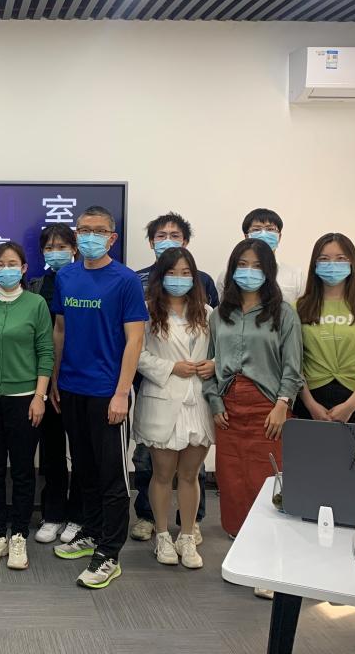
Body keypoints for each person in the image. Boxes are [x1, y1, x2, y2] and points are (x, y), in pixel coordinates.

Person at [50, 206, 147, 590]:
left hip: (108, 393)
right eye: (84, 229)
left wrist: (122, 393)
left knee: (112, 476)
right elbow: (60, 329)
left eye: (98, 230)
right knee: (85, 469)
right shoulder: (66, 276)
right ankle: (91, 532)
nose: (90, 236)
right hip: (72, 388)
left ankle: (109, 553)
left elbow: (135, 340)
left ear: (112, 237)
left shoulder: (125, 280)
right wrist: (56, 377)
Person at [204, 239, 301, 560]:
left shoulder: (283, 313)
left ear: (269, 271)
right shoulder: (219, 315)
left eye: (257, 266)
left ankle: (268, 550)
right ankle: (239, 547)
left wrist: (282, 405)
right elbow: (209, 362)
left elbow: (293, 366)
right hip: (228, 406)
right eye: (242, 265)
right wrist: (215, 402)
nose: (249, 271)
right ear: (232, 270)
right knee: (231, 477)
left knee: (266, 476)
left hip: (268, 407)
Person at [131, 212, 215, 543]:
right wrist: (169, 368)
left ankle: (189, 532)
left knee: (191, 475)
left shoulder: (207, 312)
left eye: (185, 273)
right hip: (161, 397)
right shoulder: (146, 309)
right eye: (171, 273)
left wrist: (213, 364)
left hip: (197, 401)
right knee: (159, 472)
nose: (179, 278)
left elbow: (223, 352)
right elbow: (135, 353)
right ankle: (161, 532)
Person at [0, 241, 53, 571]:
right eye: (0, 264)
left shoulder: (36, 304)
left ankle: (18, 535)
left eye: (12, 264)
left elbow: (46, 352)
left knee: (21, 471)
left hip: (25, 400)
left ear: (24, 269)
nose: (5, 269)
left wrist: (39, 396)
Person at [295, 233, 355, 425]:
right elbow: (293, 363)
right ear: (314, 264)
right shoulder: (297, 307)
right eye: (324, 259)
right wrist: (310, 404)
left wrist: (350, 406)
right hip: (309, 401)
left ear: (352, 263)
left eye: (340, 259)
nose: (332, 265)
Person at [28, 225, 83, 544]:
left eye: (62, 246)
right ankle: (53, 514)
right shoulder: (36, 285)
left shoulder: (85, 281)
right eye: (49, 247)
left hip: (79, 378)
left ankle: (77, 516)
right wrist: (46, 380)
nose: (55, 252)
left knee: (82, 451)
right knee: (51, 452)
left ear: (74, 248)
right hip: (45, 378)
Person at [216, 208, 306, 304]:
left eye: (270, 229)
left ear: (279, 236)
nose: (264, 234)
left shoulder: (296, 276)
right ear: (246, 237)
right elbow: (223, 307)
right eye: (256, 229)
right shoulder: (228, 274)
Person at [136, 212, 219, 306]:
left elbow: (213, 313)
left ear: (184, 243)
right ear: (152, 243)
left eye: (174, 236)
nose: (167, 241)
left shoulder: (203, 280)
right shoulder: (137, 279)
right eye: (161, 236)